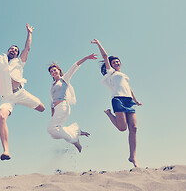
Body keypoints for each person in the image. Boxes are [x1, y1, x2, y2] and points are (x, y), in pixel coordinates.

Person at [0, 23, 45, 161]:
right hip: (7, 98)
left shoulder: (19, 61)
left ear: (17, 53)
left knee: (42, 108)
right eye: (11, 49)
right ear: (8, 50)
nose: (14, 50)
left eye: (16, 50)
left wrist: (29, 33)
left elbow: (27, 48)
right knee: (1, 117)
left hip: (21, 93)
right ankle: (6, 150)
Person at [91, 39, 142, 167]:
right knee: (122, 128)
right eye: (114, 62)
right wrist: (98, 44)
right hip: (118, 99)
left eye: (118, 61)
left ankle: (133, 157)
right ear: (111, 65)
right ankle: (109, 114)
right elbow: (104, 56)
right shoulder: (111, 73)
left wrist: (135, 100)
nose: (116, 63)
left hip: (129, 100)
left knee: (134, 128)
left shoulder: (124, 75)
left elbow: (128, 88)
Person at [47, 53, 97, 152]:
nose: (53, 72)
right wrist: (53, 114)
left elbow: (75, 66)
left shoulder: (64, 79)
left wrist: (86, 58)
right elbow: (52, 102)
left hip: (63, 106)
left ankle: (75, 140)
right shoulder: (52, 86)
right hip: (57, 109)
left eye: (54, 70)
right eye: (51, 71)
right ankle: (76, 132)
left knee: (51, 129)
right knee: (55, 131)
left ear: (59, 71)